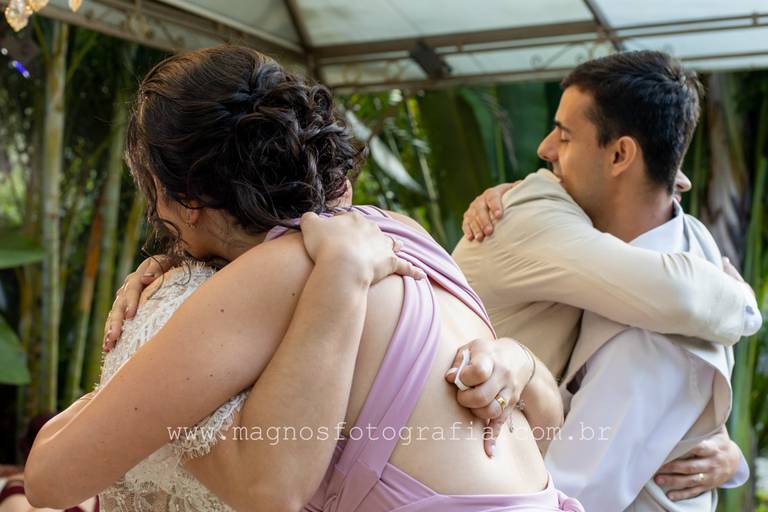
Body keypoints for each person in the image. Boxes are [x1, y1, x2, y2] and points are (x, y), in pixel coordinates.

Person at [24, 45, 582, 512]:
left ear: (186, 197)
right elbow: (541, 428)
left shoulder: (285, 272)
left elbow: (51, 480)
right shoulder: (400, 232)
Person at [453, 50, 760, 510]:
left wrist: (745, 304)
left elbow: (574, 494)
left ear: (620, 155)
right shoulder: (681, 241)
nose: (544, 150)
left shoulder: (653, 334)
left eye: (564, 135)